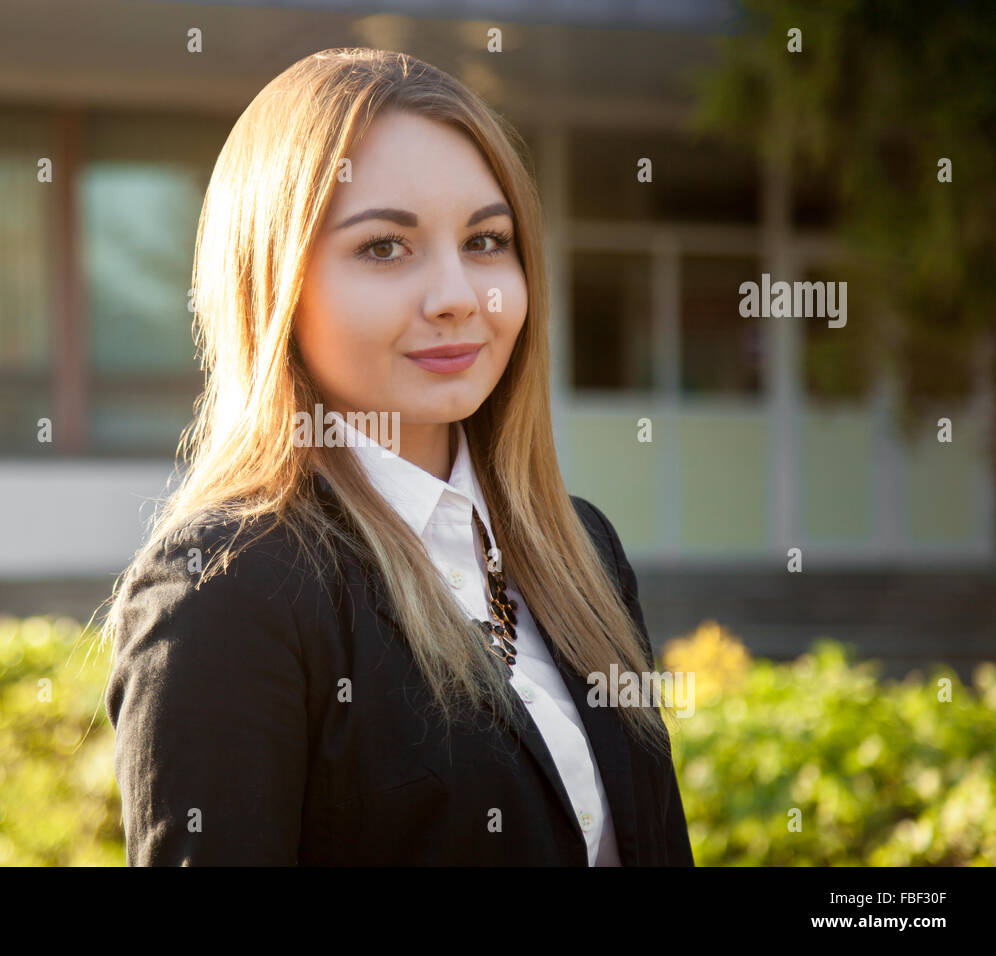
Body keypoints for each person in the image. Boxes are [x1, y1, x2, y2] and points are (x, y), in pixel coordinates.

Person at [101, 47, 693, 866]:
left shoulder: (581, 551)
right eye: (385, 248)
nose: (458, 295)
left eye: (488, 241)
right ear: (275, 285)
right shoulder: (226, 590)